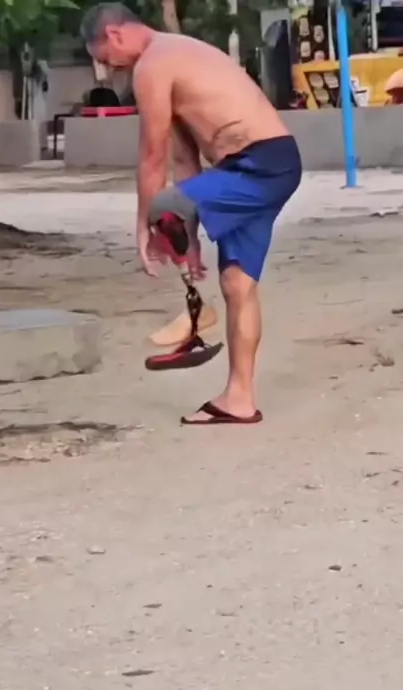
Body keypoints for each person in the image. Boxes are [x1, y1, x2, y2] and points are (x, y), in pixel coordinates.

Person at [80, 2, 302, 425]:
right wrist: (190, 237)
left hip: (262, 163)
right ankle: (239, 399)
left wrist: (145, 225)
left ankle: (196, 312)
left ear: (114, 35)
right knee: (237, 284)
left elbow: (152, 155)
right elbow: (184, 161)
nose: (110, 70)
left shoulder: (154, 62)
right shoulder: (170, 59)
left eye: (106, 59)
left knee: (163, 207)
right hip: (247, 168)